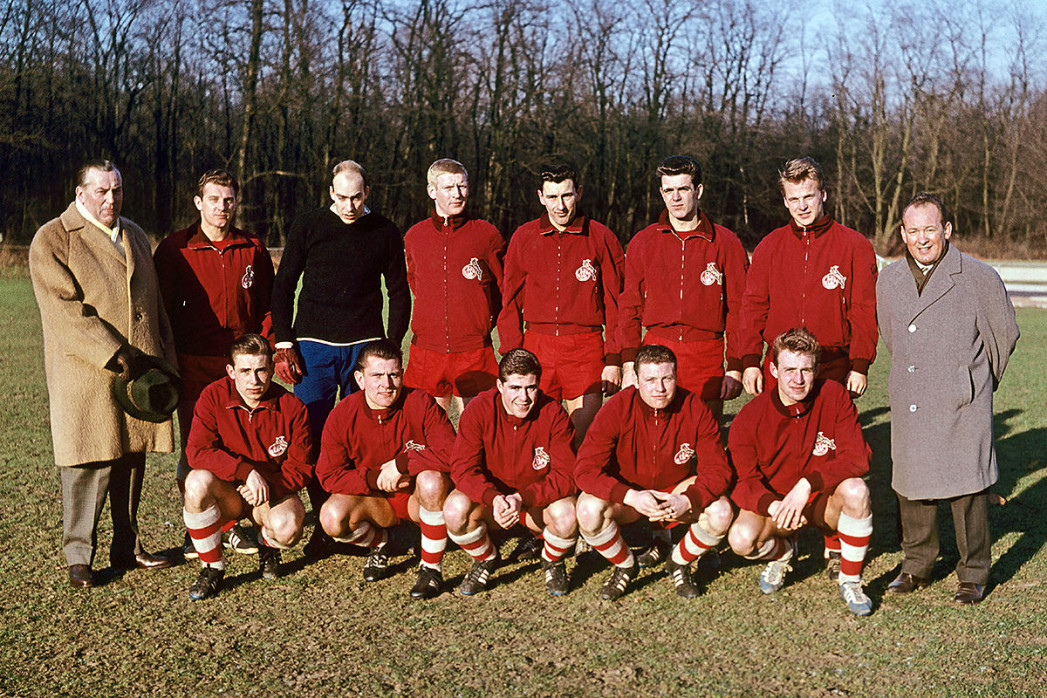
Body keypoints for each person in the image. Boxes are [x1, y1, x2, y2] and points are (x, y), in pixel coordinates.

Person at [30, 159, 175, 588]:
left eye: (116, 191)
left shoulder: (135, 233)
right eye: (101, 192)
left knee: (132, 456)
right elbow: (63, 311)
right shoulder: (53, 238)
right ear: (80, 194)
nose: (111, 199)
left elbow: (156, 302)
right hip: (87, 371)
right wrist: (112, 350)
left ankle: (127, 545)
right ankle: (79, 555)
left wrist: (164, 356)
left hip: (139, 372)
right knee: (88, 461)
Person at [736, 156, 878, 574]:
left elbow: (864, 310)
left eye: (809, 196)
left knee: (828, 450)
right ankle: (786, 535)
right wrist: (748, 360)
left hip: (832, 364)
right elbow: (752, 306)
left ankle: (834, 542)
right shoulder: (770, 246)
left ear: (824, 195)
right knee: (782, 450)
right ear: (785, 200)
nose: (802, 205)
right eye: (793, 198)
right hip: (780, 365)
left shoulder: (852, 245)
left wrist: (861, 363)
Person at [877, 193, 1019, 605]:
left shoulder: (978, 276)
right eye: (914, 230)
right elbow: (892, 335)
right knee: (912, 485)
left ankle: (973, 572)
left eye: (930, 229)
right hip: (910, 396)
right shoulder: (889, 279)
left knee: (968, 489)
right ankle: (916, 564)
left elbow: (1003, 336)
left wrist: (971, 383)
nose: (923, 239)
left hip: (962, 401)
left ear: (947, 230)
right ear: (903, 233)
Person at [270, 159, 411, 555]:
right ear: (331, 193)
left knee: (361, 434)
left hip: (364, 345)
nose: (349, 205)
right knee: (312, 434)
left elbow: (398, 291)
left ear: (367, 193)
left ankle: (365, 512)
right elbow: (283, 287)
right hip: (313, 345)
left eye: (357, 196)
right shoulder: (309, 225)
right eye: (342, 197)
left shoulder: (384, 230)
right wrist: (284, 342)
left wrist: (392, 342)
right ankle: (324, 518)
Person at [154, 168, 275, 558]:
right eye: (214, 199)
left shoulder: (252, 246)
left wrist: (267, 350)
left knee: (239, 444)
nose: (222, 207)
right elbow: (161, 311)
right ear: (198, 202)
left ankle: (234, 524)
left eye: (229, 200)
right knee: (197, 447)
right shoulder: (176, 248)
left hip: (241, 367)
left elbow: (269, 307)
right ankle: (200, 525)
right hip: (194, 363)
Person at [726, 328, 875, 616]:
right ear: (773, 369)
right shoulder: (750, 417)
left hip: (821, 502)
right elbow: (743, 482)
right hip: (778, 510)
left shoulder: (833, 395)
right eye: (789, 369)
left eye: (806, 370)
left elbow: (859, 457)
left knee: (857, 490)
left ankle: (851, 580)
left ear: (817, 369)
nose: (798, 379)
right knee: (741, 539)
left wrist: (808, 483)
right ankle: (783, 554)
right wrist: (774, 505)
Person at [575, 344, 733, 601]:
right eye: (650, 380)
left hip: (676, 494)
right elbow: (584, 469)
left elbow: (718, 469)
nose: (659, 388)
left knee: (722, 511)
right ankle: (625, 565)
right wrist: (630, 496)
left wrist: (688, 499)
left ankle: (679, 561)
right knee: (587, 510)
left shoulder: (694, 407)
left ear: (676, 377)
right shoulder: (617, 408)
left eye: (667, 378)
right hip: (630, 496)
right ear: (636, 381)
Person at [315, 340, 457, 600]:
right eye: (377, 375)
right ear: (360, 378)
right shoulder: (343, 414)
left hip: (417, 499)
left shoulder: (420, 401)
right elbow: (327, 475)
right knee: (331, 517)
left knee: (432, 479)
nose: (387, 384)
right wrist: (374, 478)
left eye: (393, 375)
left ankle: (431, 569)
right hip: (377, 504)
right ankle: (382, 543)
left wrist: (403, 464)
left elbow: (453, 453)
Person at [497, 164, 625, 445]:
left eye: (566, 196)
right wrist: (511, 353)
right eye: (552, 197)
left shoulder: (601, 237)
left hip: (585, 348)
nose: (560, 205)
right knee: (538, 440)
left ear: (578, 193)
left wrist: (614, 358)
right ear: (541, 197)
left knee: (581, 440)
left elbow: (617, 304)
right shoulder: (524, 237)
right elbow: (509, 303)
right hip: (536, 346)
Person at [183, 334, 313, 599]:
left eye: (261, 370)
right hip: (229, 493)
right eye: (245, 371)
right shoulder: (212, 397)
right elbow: (197, 452)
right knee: (196, 482)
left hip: (269, 494)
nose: (254, 381)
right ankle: (212, 568)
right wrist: (245, 472)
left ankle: (266, 545)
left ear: (271, 369)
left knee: (288, 527)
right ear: (231, 371)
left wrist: (267, 487)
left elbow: (302, 467)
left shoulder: (292, 407)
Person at [619, 155, 749, 420]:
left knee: (704, 443)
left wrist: (735, 365)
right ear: (661, 193)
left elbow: (739, 310)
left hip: (706, 354)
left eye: (683, 189)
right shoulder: (643, 243)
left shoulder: (726, 243)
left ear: (698, 190)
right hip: (655, 349)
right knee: (655, 442)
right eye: (669, 190)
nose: (675, 198)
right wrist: (629, 361)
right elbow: (629, 307)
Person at [443, 349, 578, 596]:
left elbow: (566, 475)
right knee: (453, 510)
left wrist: (522, 498)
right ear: (499, 385)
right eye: (515, 388)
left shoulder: (553, 413)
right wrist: (491, 496)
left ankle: (552, 560)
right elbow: (463, 469)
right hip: (494, 503)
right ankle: (486, 558)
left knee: (567, 514)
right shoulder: (479, 409)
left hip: (534, 501)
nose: (524, 397)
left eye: (531, 387)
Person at [403, 159, 505, 415]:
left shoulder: (486, 234)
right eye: (449, 187)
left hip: (473, 350)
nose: (457, 194)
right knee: (426, 430)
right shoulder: (415, 236)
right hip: (427, 350)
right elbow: (416, 283)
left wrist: (480, 322)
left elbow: (502, 289)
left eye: (462, 186)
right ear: (431, 191)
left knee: (477, 428)